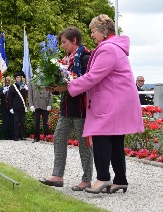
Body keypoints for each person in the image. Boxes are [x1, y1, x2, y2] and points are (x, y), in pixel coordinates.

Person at [54, 15, 144, 194]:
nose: (91, 34)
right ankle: (120, 180)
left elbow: (93, 76)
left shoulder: (108, 49)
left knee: (101, 136)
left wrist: (68, 86)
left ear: (104, 31)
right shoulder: (113, 47)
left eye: (93, 31)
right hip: (118, 99)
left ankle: (103, 177)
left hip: (112, 101)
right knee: (116, 139)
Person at [40, 26, 93, 191]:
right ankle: (57, 175)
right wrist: (54, 87)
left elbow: (88, 82)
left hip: (82, 108)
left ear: (74, 40)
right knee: (59, 138)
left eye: (64, 42)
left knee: (84, 145)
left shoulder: (85, 58)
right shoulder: (66, 60)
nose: (62, 46)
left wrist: (65, 86)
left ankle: (87, 179)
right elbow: (64, 83)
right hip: (67, 107)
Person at [8, 71, 28, 141]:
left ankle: (22, 135)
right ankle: (16, 136)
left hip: (23, 107)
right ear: (15, 79)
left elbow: (27, 96)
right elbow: (9, 98)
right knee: (16, 122)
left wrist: (27, 89)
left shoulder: (24, 86)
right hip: (15, 107)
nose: (18, 78)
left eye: (19, 77)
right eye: (17, 77)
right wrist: (11, 107)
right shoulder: (12, 87)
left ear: (21, 78)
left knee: (22, 122)